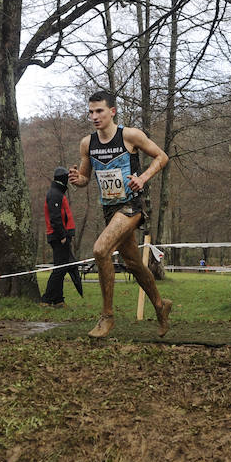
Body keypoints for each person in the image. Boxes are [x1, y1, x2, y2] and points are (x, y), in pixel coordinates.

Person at [68, 90, 172, 338]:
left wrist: (143, 178)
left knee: (100, 249)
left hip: (131, 207)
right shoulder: (88, 143)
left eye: (99, 111)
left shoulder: (130, 136)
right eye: (91, 112)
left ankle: (107, 316)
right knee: (134, 263)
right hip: (110, 210)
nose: (94, 116)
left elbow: (162, 157)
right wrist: (77, 179)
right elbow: (84, 178)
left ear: (112, 111)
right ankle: (160, 305)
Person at [40, 166, 78, 308]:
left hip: (60, 236)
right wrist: (62, 235)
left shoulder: (57, 193)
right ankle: (46, 299)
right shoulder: (54, 194)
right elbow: (55, 217)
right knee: (60, 269)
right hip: (58, 237)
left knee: (62, 268)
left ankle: (58, 300)